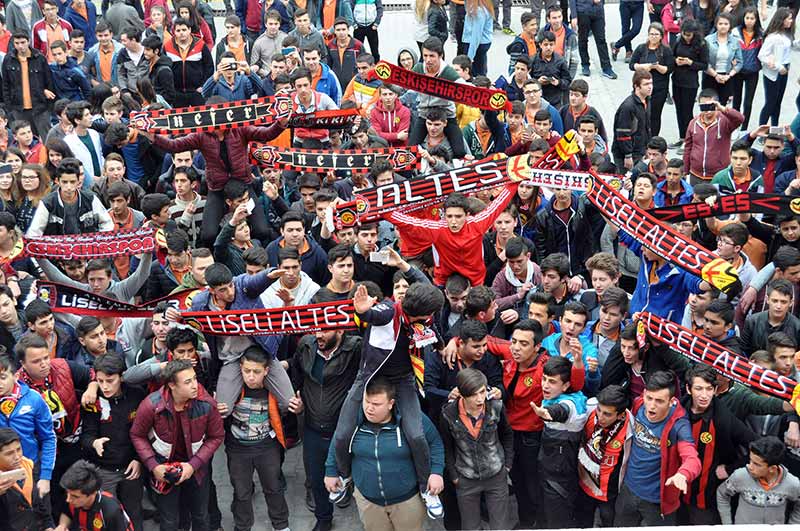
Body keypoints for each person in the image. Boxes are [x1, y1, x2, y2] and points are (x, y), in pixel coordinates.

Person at [326, 376, 445, 527]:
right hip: (368, 502)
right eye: (367, 401)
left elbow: (435, 443)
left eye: (376, 404)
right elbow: (337, 440)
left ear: (391, 404)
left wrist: (436, 472)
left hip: (408, 502)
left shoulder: (413, 419)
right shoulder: (352, 420)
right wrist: (330, 470)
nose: (369, 408)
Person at [285, 300, 361, 531]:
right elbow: (298, 378)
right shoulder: (306, 346)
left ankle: (345, 489)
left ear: (340, 329)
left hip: (345, 430)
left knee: (349, 470)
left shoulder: (355, 348)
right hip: (312, 428)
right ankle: (323, 519)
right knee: (317, 478)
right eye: (316, 328)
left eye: (325, 329)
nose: (319, 333)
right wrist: (296, 400)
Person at [129, 360, 224, 531]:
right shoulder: (150, 405)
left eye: (195, 378)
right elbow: (137, 435)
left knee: (201, 516)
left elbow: (216, 437)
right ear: (172, 385)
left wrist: (192, 465)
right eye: (188, 382)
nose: (195, 385)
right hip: (164, 468)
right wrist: (153, 466)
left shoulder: (207, 404)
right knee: (170, 520)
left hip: (197, 469)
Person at [613, 371, 701, 526]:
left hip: (656, 500)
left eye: (659, 401)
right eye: (649, 398)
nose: (652, 406)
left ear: (671, 401)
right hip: (628, 488)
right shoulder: (638, 404)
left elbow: (691, 457)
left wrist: (683, 474)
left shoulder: (679, 424)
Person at [439, 368, 513, 530]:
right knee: (470, 527)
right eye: (474, 395)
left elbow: (507, 435)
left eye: (482, 392)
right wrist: (454, 475)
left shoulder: (496, 407)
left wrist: (507, 465)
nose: (480, 399)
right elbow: (447, 446)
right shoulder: (448, 414)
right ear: (463, 395)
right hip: (465, 477)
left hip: (496, 475)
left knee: (500, 526)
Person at [224, 347, 290, 531]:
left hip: (266, 448)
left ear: (267, 371)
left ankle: (281, 525)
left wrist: (297, 408)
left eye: (256, 372)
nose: (251, 376)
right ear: (240, 368)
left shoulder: (274, 390)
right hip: (237, 449)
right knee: (241, 492)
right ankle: (243, 525)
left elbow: (286, 413)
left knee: (274, 488)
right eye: (246, 371)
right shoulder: (232, 390)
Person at [80, 353, 145, 531]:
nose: (105, 386)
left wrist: (139, 460)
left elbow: (145, 432)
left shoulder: (137, 394)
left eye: (110, 380)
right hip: (104, 470)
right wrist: (94, 443)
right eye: (100, 381)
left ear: (121, 377)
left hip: (131, 468)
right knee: (109, 517)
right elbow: (85, 436)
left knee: (134, 512)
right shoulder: (92, 401)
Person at [0, 354, 56, 505]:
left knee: (43, 516)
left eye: (3, 377)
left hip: (32, 468)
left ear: (16, 376)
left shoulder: (33, 398)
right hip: (2, 473)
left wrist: (45, 476)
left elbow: (49, 438)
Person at [575, 385, 632, 528]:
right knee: (584, 520)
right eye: (599, 410)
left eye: (607, 414)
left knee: (608, 522)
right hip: (585, 482)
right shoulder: (590, 411)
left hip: (609, 491)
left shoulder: (631, 428)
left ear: (620, 415)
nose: (600, 416)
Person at [717, 436, 800, 524]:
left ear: (772, 468)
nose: (750, 466)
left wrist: (793, 526)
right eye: (750, 460)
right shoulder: (740, 476)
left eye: (756, 464)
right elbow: (722, 494)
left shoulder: (793, 484)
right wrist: (727, 524)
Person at [1, 31, 56, 138]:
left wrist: (49, 107)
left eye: (23, 42)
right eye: (17, 43)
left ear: (29, 41)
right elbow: (6, 85)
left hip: (40, 107)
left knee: (48, 140)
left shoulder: (39, 58)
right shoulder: (8, 59)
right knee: (25, 142)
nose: (20, 46)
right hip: (18, 109)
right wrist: (10, 109)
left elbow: (49, 82)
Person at [55, 460, 133, 531]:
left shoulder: (110, 511)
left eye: (75, 496)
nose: (68, 499)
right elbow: (67, 512)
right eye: (67, 493)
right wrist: (63, 525)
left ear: (92, 493)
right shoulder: (72, 492)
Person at [0, 427, 51, 530]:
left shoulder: (30, 466)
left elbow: (41, 505)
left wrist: (49, 526)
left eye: (18, 449)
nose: (17, 456)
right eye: (9, 453)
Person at [671, 20, 709, 148]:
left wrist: (690, 62)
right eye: (684, 34)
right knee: (679, 110)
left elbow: (704, 65)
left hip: (690, 82)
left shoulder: (701, 44)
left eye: (689, 35)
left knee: (687, 111)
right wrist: (676, 60)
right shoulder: (677, 41)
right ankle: (682, 137)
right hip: (677, 80)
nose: (686, 37)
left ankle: (689, 139)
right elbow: (671, 56)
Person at [162, 17, 214, 107]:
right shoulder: (167, 47)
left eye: (184, 30)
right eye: (178, 30)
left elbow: (209, 67)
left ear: (189, 30)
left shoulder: (201, 45)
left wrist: (204, 86)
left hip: (197, 92)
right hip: (177, 94)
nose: (181, 33)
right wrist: (171, 90)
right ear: (174, 31)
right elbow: (163, 70)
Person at [758, 8, 794, 126]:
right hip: (773, 73)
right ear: (781, 19)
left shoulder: (786, 34)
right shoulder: (773, 37)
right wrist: (778, 67)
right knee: (770, 103)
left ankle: (774, 129)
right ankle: (760, 131)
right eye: (789, 18)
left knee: (778, 102)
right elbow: (762, 55)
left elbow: (791, 46)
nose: (791, 21)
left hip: (785, 70)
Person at [612, 71, 653, 171]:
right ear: (636, 86)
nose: (650, 87)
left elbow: (646, 128)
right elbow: (623, 133)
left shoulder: (647, 100)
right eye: (646, 84)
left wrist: (648, 148)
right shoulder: (628, 106)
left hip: (640, 150)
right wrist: (627, 155)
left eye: (651, 83)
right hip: (626, 155)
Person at [571, 0, 617, 79]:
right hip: (582, 11)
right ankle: (585, 65)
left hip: (598, 12)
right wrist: (574, 16)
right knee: (583, 40)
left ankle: (606, 67)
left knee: (601, 40)